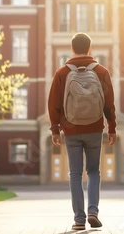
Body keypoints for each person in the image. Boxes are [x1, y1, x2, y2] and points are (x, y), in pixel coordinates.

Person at [48, 32, 117, 231]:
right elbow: (109, 103)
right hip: (95, 128)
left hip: (71, 130)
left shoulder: (62, 72)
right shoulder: (102, 71)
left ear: (72, 49)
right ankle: (93, 211)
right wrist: (111, 128)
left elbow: (53, 104)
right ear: (89, 48)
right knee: (94, 171)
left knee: (75, 174)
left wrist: (55, 129)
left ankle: (79, 219)